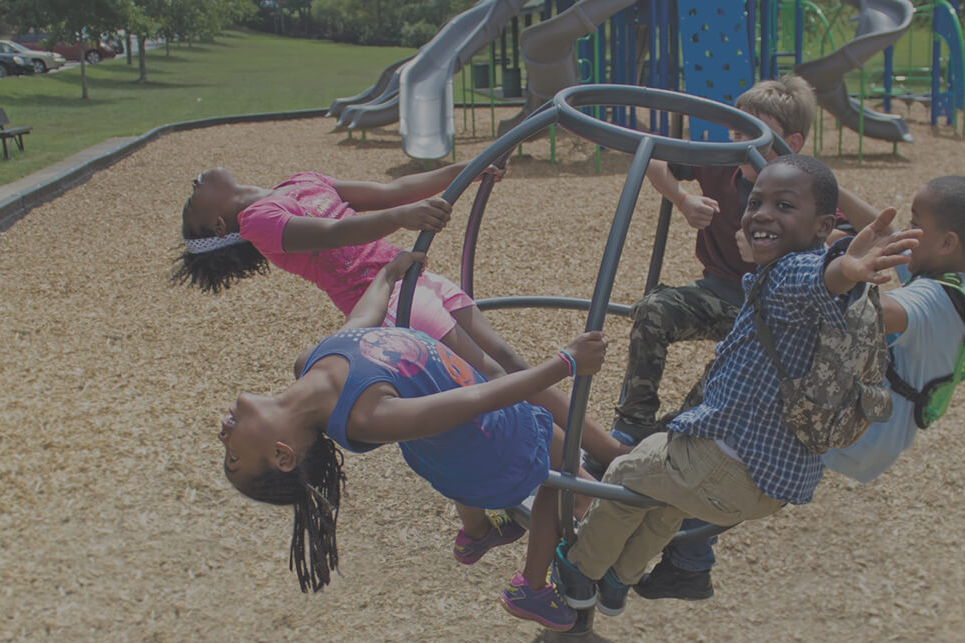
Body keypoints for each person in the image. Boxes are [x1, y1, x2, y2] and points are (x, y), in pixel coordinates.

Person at [547, 154, 922, 617]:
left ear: (824, 226)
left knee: (627, 474)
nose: (762, 213)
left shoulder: (792, 272)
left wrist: (845, 269)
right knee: (664, 505)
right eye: (757, 201)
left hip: (725, 463)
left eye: (784, 206)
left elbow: (819, 280)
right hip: (777, 483)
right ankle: (617, 581)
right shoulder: (788, 273)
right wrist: (840, 270)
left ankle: (579, 572)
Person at [633, 174, 965, 601]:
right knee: (746, 402)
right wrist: (830, 183)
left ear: (946, 242)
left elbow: (860, 305)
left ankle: (663, 481)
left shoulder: (933, 301)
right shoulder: (962, 272)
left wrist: (787, 255)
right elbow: (885, 233)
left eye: (916, 223)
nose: (904, 232)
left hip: (858, 427)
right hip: (879, 419)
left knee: (746, 401)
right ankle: (689, 558)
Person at [217, 251, 620, 631]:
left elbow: (363, 320)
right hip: (493, 440)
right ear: (282, 455)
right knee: (562, 479)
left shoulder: (309, 365)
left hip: (461, 446)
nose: (223, 435)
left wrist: (387, 275)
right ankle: (533, 587)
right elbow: (474, 400)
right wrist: (564, 363)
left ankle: (482, 533)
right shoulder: (363, 414)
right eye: (233, 455)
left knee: (476, 454)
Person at [175, 163, 628, 463]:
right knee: (491, 375)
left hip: (412, 276)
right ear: (219, 225)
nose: (194, 184)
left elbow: (391, 189)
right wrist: (403, 216)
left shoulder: (298, 182)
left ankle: (599, 451)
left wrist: (462, 172)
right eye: (192, 200)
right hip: (390, 301)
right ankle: (593, 464)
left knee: (508, 360)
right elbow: (335, 232)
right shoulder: (259, 221)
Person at [609, 75, 819, 449]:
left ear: (792, 144)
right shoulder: (722, 162)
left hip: (769, 310)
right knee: (653, 310)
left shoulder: (804, 188)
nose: (741, 145)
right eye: (737, 134)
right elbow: (653, 159)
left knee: (726, 377)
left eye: (754, 136)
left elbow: (839, 240)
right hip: (719, 291)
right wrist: (683, 199)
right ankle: (632, 423)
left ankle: (671, 439)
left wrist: (772, 249)